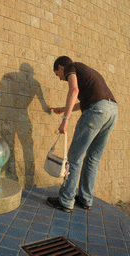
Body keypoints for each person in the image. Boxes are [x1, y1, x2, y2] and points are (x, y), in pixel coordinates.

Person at [47, 56, 118, 213]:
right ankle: (86, 199)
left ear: (60, 67)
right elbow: (85, 103)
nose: (60, 79)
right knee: (93, 158)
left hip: (97, 111)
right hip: (112, 111)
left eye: (57, 74)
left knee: (74, 158)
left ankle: (65, 200)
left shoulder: (71, 66)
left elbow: (74, 90)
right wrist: (63, 109)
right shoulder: (87, 73)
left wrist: (65, 120)